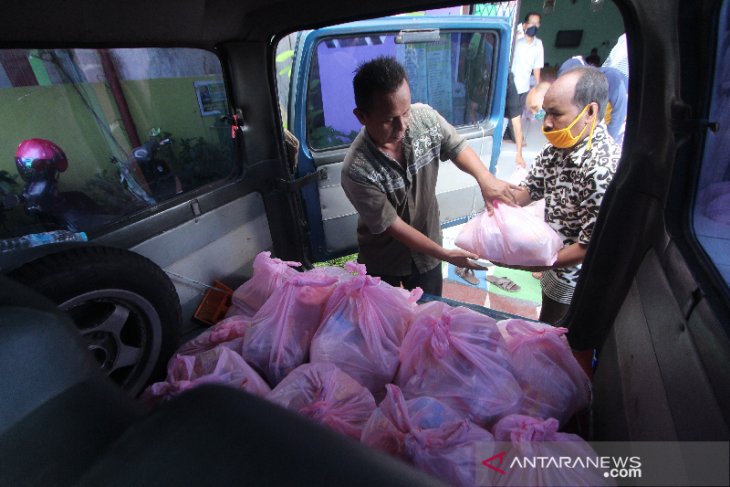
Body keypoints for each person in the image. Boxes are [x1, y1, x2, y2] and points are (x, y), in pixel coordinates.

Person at [340, 56, 519, 296]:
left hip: (427, 250)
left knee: (432, 311)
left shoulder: (425, 119)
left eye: (405, 112)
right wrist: (445, 254)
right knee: (390, 318)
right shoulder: (357, 169)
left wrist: (485, 179)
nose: (402, 126)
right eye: (388, 120)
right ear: (362, 116)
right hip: (383, 258)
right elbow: (393, 225)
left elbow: (456, 147)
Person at [506, 66, 621, 325]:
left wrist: (537, 263)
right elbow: (530, 189)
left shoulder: (601, 167)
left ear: (590, 112)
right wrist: (498, 201)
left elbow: (588, 246)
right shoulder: (557, 148)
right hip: (552, 260)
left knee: (555, 331)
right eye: (545, 112)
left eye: (555, 114)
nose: (546, 123)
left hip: (575, 277)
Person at [559, 56, 628, 144]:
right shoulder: (576, 88)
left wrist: (608, 142)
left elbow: (619, 115)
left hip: (623, 114)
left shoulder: (611, 78)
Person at [510, 12, 544, 116]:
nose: (534, 26)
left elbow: (537, 67)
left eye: (537, 23)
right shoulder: (515, 40)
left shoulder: (538, 44)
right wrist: (515, 36)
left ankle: (512, 132)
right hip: (510, 85)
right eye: (531, 23)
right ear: (524, 25)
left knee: (517, 116)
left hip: (523, 88)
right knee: (510, 116)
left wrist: (538, 88)